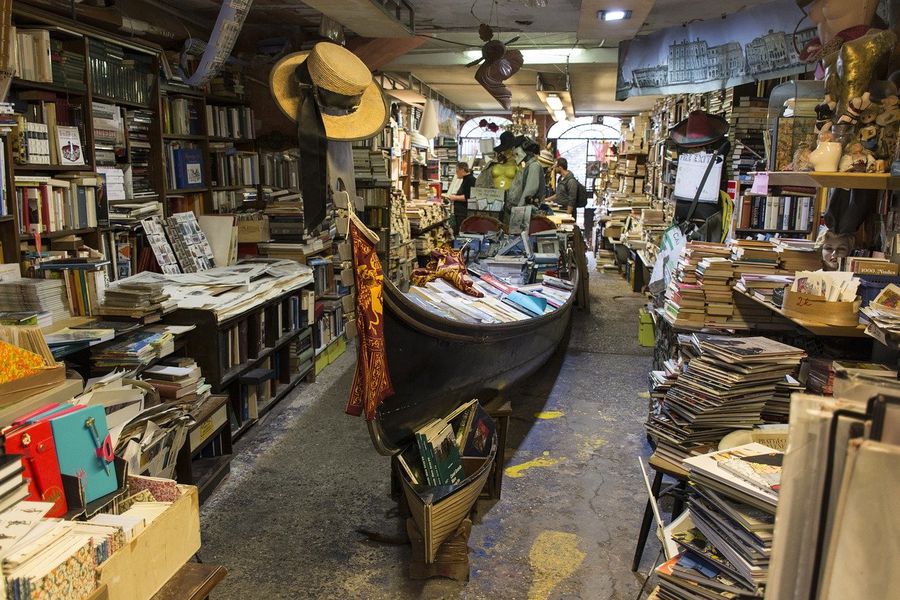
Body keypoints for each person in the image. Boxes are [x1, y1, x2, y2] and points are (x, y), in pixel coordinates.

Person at [444, 162, 476, 232]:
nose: (456, 174)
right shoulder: (466, 179)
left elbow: (468, 197)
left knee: (462, 231)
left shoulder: (470, 180)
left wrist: (454, 197)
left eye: (457, 171)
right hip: (460, 212)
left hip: (464, 213)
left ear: (462, 170)